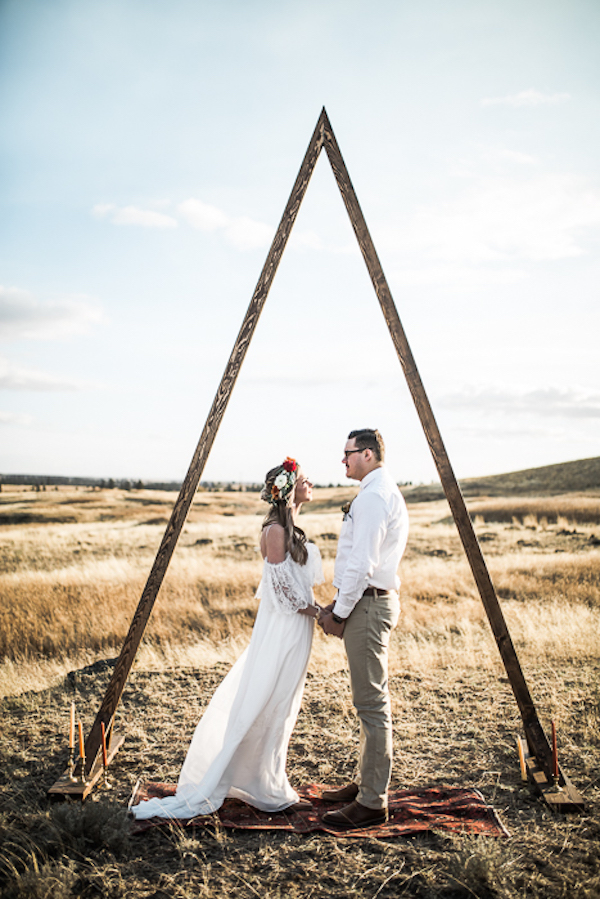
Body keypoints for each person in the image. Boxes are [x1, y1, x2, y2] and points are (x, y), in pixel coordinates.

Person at [130, 457, 323, 821]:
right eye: (304, 479)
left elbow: (297, 587)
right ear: (288, 488)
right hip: (281, 630)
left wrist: (320, 609)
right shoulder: (276, 531)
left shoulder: (291, 525)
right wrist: (321, 613)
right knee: (268, 700)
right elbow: (282, 592)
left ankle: (266, 779)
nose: (310, 483)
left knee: (283, 705)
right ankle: (261, 784)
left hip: (296, 630)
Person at [318, 429, 409, 829]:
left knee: (371, 704)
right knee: (368, 701)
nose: (343, 461)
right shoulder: (378, 490)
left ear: (367, 454)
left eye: (348, 454)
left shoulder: (373, 496)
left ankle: (373, 802)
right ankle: (365, 782)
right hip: (368, 602)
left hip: (368, 605)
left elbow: (362, 564)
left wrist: (338, 613)